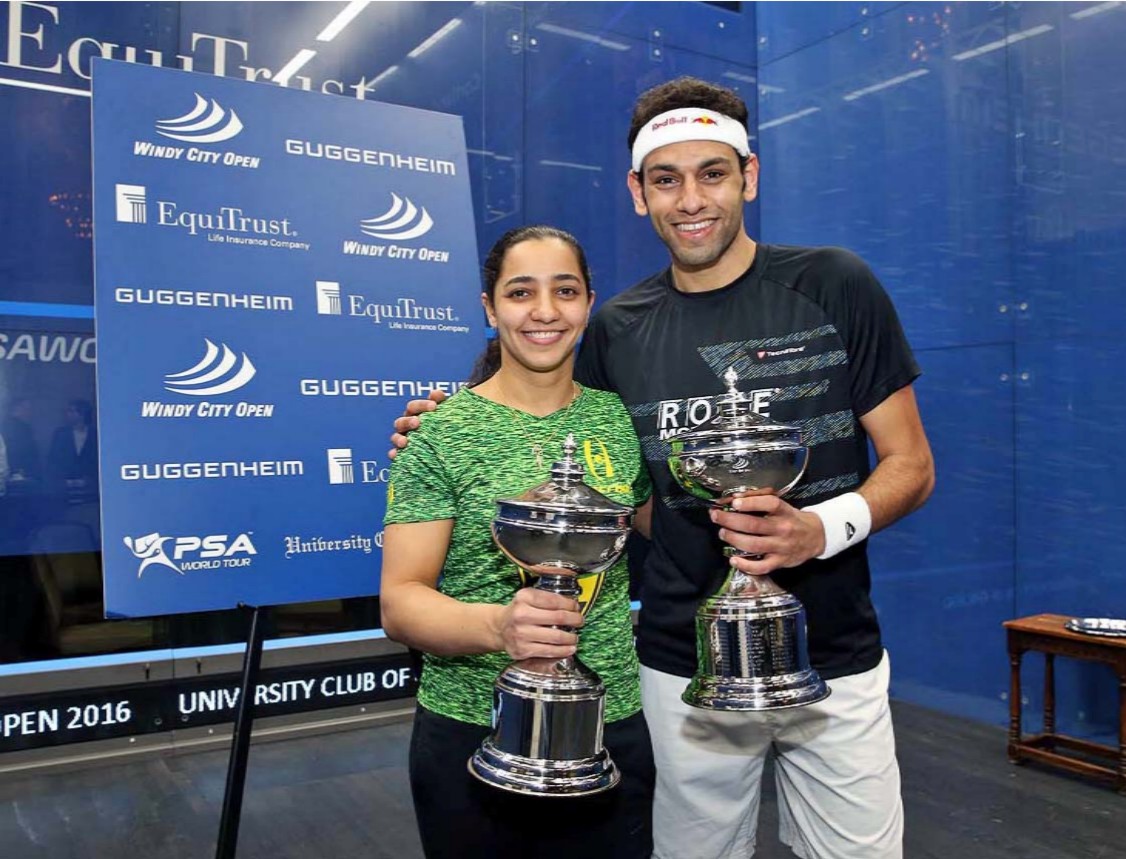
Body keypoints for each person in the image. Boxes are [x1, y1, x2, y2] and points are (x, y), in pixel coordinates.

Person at [392, 78, 934, 859]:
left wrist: (818, 529)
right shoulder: (617, 327)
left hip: (834, 654)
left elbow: (912, 464)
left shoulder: (834, 283)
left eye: (713, 173)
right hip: (678, 666)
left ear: (748, 176)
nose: (692, 200)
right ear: (638, 193)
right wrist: (441, 419)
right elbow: (580, 441)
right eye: (666, 179)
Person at [379, 225, 656, 859]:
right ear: (490, 307)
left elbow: (661, 530)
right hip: (472, 728)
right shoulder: (439, 432)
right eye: (521, 292)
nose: (545, 311)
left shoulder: (620, 420)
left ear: (588, 304)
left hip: (609, 723)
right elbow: (400, 602)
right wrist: (500, 627)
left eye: (565, 291)